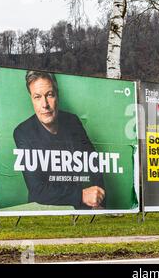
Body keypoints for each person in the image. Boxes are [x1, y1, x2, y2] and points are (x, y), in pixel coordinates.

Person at [13, 70, 105, 209]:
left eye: (49, 95)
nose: (45, 104)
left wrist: (99, 200)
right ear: (31, 99)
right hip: (43, 210)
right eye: (37, 97)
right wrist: (81, 195)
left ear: (57, 95)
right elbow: (37, 190)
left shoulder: (72, 121)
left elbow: (94, 163)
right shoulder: (22, 132)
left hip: (78, 207)